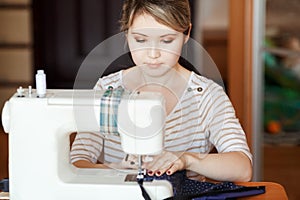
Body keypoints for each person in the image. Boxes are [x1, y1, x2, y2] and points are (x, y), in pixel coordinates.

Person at [70, 0, 252, 182]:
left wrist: (188, 160)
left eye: (166, 40)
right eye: (140, 40)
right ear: (127, 34)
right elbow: (77, 163)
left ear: (187, 33)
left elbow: (242, 168)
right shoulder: (106, 90)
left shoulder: (207, 96)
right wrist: (114, 170)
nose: (153, 54)